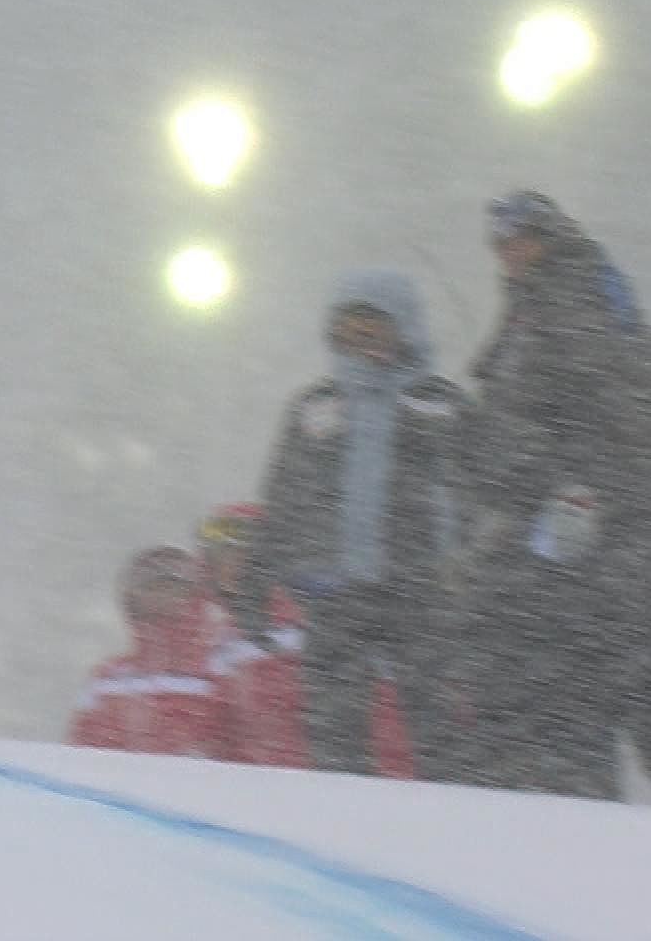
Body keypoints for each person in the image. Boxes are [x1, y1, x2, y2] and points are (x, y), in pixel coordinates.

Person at [454, 190, 651, 806]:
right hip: (585, 554)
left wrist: (593, 504)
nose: (510, 255)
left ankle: (602, 828)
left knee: (600, 701)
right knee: (610, 702)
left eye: (521, 238)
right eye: (501, 244)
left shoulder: (569, 323)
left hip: (603, 560)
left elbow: (613, 434)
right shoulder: (545, 327)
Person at [236, 269, 472, 781]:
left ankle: (454, 823)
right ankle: (345, 817)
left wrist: (474, 581)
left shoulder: (440, 405)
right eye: (348, 326)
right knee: (334, 727)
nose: (360, 337)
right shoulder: (316, 408)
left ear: (403, 330)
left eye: (373, 326)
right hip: (335, 592)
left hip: (419, 590)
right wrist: (258, 583)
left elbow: (479, 498)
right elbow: (282, 501)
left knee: (436, 722)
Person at [197, 503, 417, 777]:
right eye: (222, 555)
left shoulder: (316, 616)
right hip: (263, 800)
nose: (234, 565)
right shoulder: (222, 640)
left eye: (244, 553)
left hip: (335, 789)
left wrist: (392, 782)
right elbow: (224, 737)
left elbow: (383, 714)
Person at [68, 546, 235, 760]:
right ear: (134, 599)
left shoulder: (219, 667)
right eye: (153, 587)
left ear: (194, 597)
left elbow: (242, 742)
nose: (162, 596)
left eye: (174, 588)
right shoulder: (108, 677)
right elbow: (80, 749)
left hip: (197, 789)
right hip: (116, 788)